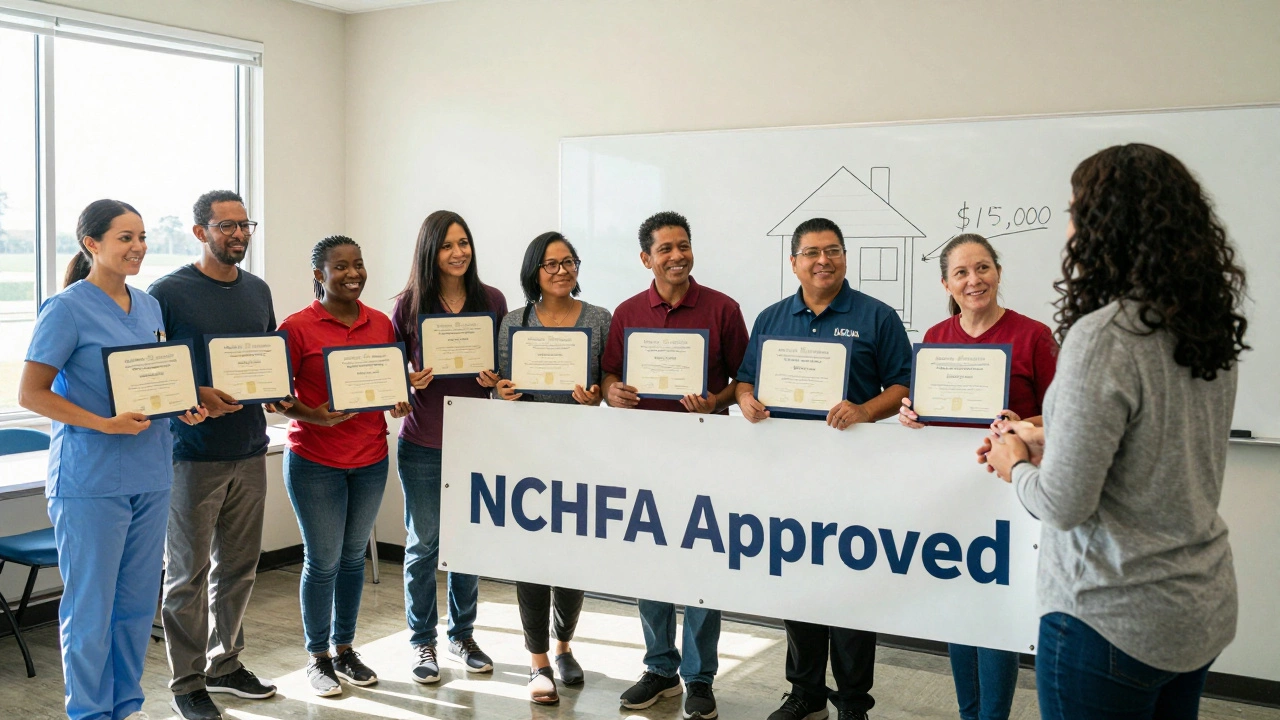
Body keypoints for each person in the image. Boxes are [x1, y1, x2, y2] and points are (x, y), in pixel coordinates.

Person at [980, 144, 1248, 719]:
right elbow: (1152, 445)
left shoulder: (1106, 336)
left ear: (1106, 228)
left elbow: (1063, 504)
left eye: (1077, 211)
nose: (1070, 228)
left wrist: (1015, 465)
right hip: (1196, 605)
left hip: (1109, 617)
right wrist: (1042, 438)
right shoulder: (1205, 326)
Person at [19, 199, 207, 720]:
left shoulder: (147, 307)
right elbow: (31, 393)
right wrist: (103, 423)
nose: (138, 247)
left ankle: (124, 707)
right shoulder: (65, 308)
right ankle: (89, 712)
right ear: (91, 244)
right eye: (125, 237)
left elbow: (154, 381)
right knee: (89, 611)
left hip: (151, 473)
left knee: (133, 609)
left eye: (142, 237)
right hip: (90, 479)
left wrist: (182, 406)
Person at [736, 217, 912, 720]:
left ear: (845, 257)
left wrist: (863, 410)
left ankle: (853, 699)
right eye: (811, 252)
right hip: (790, 477)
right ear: (794, 262)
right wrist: (746, 400)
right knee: (800, 583)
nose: (823, 260)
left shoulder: (877, 316)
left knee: (853, 585)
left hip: (856, 476)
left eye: (832, 250)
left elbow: (904, 384)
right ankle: (806, 691)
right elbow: (746, 380)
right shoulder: (772, 318)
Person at [895, 233, 1057, 720]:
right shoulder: (936, 339)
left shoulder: (1033, 336)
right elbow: (930, 413)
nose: (974, 280)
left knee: (996, 614)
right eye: (962, 272)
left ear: (998, 273)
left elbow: (1069, 417)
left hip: (1011, 494)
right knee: (958, 608)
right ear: (946, 282)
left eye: (983, 268)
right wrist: (911, 415)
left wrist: (1024, 426)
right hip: (954, 497)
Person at [603, 211, 750, 720]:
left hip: (706, 456)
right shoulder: (626, 313)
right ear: (646, 258)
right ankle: (660, 669)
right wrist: (611, 393)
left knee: (702, 565)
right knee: (652, 563)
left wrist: (717, 399)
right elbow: (608, 377)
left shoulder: (723, 309)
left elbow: (744, 379)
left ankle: (700, 676)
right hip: (645, 458)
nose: (677, 255)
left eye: (683, 245)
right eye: (665, 249)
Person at [149, 191, 283, 720]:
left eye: (244, 225)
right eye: (226, 226)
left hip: (250, 447)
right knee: (186, 573)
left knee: (240, 568)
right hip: (192, 455)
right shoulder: (169, 293)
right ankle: (187, 681)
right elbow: (156, 370)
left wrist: (276, 387)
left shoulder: (258, 291)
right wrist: (197, 391)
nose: (238, 234)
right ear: (200, 231)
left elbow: (265, 356)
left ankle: (225, 665)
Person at [276, 235, 428, 697]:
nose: (352, 274)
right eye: (339, 266)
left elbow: (389, 385)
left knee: (352, 559)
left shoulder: (381, 324)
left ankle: (346, 649)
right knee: (322, 562)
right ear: (318, 275)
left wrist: (399, 403)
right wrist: (312, 414)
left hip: (370, 459)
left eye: (358, 265)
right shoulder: (297, 327)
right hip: (314, 460)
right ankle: (317, 656)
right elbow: (276, 397)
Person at [493, 231, 612, 704]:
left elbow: (608, 377)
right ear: (534, 272)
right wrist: (500, 391)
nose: (562, 271)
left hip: (581, 453)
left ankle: (564, 647)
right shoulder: (513, 321)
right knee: (532, 559)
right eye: (550, 264)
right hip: (526, 455)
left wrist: (600, 391)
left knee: (573, 557)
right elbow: (503, 382)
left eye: (569, 262)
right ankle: (537, 661)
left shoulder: (600, 319)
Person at [391, 210, 507, 683]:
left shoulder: (493, 301)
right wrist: (406, 380)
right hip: (422, 443)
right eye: (447, 245)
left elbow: (508, 371)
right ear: (430, 252)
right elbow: (387, 377)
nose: (459, 253)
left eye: (464, 243)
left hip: (476, 443)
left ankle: (463, 634)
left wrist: (498, 380)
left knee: (467, 544)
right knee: (424, 545)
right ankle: (423, 644)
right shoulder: (408, 305)